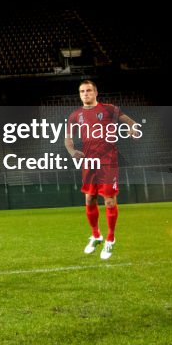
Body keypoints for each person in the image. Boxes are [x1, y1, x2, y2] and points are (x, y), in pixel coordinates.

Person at [63, 80, 141, 260]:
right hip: (88, 163)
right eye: (82, 91)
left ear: (96, 92)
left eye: (89, 90)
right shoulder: (75, 115)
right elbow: (68, 139)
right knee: (89, 199)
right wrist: (72, 151)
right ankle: (96, 235)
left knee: (109, 201)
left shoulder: (109, 109)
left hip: (108, 162)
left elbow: (131, 122)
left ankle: (110, 239)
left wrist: (133, 130)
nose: (85, 94)